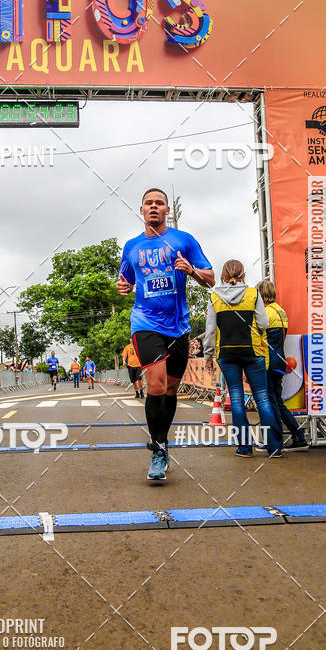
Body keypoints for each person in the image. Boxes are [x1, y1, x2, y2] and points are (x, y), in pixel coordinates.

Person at [118, 187, 214, 481]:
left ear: (167, 210)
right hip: (145, 323)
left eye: (159, 203)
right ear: (142, 210)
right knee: (156, 386)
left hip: (179, 326)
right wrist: (123, 288)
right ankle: (158, 449)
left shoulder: (183, 240)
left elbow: (210, 278)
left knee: (171, 390)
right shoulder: (132, 247)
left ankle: (162, 442)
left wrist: (191, 270)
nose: (154, 207)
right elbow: (125, 282)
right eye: (149, 203)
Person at [204, 260, 282, 458]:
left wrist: (208, 357)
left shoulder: (215, 297)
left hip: (227, 355)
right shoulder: (253, 294)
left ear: (223, 275)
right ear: (243, 275)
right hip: (253, 352)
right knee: (262, 398)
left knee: (236, 399)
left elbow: (210, 331)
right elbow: (264, 323)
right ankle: (274, 447)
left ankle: (245, 448)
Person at [257, 279, 308, 451]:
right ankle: (299, 437)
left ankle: (274, 441)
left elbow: (258, 340)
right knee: (277, 402)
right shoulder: (281, 311)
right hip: (280, 360)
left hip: (268, 362)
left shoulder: (265, 313)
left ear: (261, 294)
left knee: (270, 403)